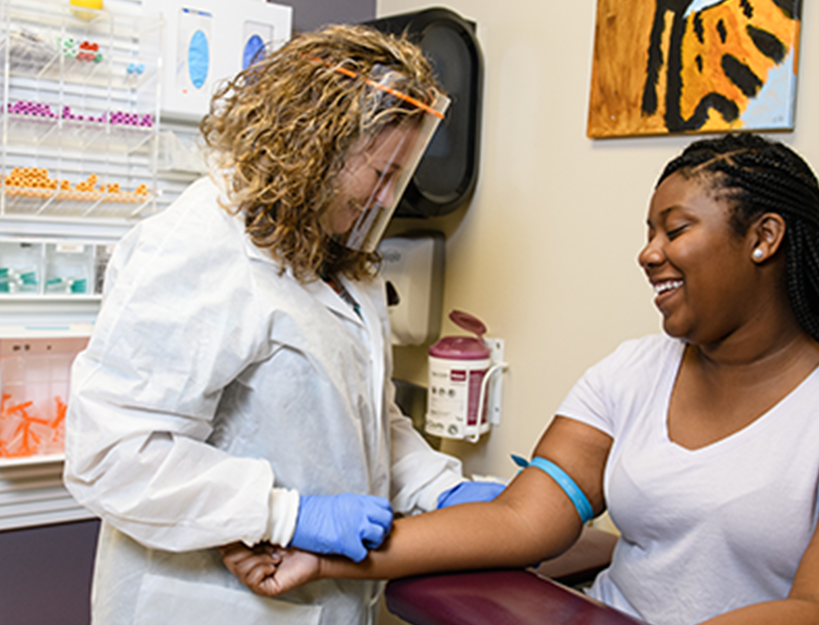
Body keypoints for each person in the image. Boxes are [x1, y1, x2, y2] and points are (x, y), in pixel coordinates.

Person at [223, 133, 819, 625]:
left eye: (673, 229)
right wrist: (323, 556)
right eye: (647, 232)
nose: (647, 253)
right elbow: (522, 520)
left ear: (763, 237)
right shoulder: (633, 369)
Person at [63, 25, 503, 625]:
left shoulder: (344, 257)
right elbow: (112, 453)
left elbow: (365, 417)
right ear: (316, 145)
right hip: (205, 602)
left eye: (397, 177)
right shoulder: (199, 244)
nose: (385, 198)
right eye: (380, 174)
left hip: (325, 601)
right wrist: (285, 514)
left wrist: (437, 487)